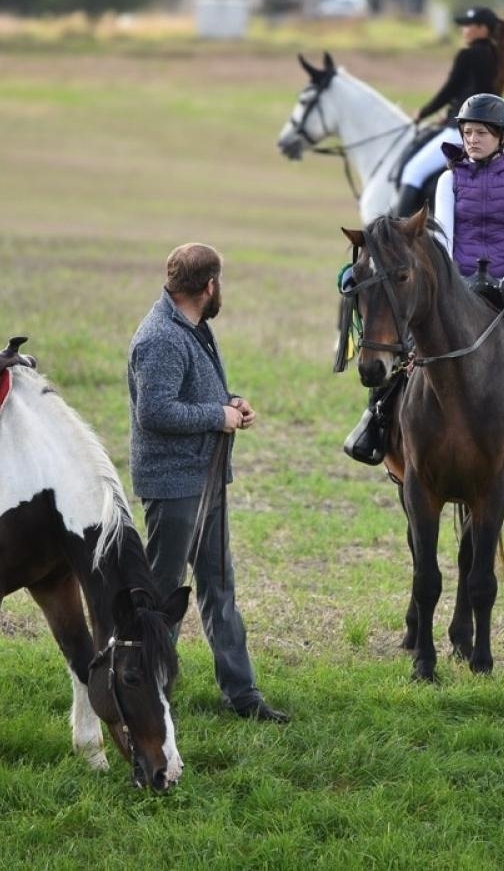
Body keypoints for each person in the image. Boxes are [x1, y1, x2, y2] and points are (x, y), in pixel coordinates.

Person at [345, 94, 504, 479]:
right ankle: (374, 422)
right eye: (467, 132)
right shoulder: (448, 179)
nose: (472, 139)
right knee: (399, 349)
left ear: (501, 137)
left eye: (480, 133)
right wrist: (450, 281)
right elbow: (444, 239)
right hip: (458, 285)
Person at [126, 243, 288, 723]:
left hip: (207, 480)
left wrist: (231, 403)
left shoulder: (194, 327)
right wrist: (216, 416)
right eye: (221, 283)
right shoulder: (160, 338)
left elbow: (191, 394)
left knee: (220, 589)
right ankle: (149, 690)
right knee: (163, 595)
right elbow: (154, 412)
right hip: (175, 488)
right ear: (209, 286)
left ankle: (243, 696)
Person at [392, 6, 504, 218]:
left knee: (413, 170)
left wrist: (423, 112)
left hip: (465, 132)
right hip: (490, 131)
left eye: (469, 25)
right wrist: (450, 114)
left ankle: (397, 233)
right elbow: (478, 94)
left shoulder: (468, 55)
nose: (463, 30)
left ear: (483, 29)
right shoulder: (499, 56)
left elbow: (450, 89)